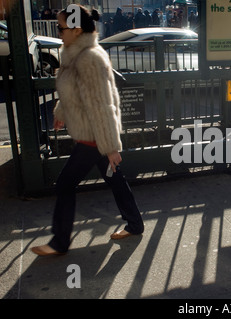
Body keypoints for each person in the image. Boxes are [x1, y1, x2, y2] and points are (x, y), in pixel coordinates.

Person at [30, 4, 144, 256]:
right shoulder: (73, 53)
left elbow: (103, 106)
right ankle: (135, 224)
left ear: (76, 29)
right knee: (115, 178)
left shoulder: (89, 58)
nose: (58, 32)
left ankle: (60, 242)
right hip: (94, 133)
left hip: (95, 136)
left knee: (64, 185)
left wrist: (111, 147)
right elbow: (75, 92)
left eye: (61, 27)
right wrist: (61, 113)